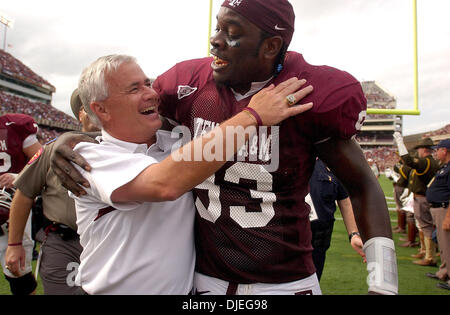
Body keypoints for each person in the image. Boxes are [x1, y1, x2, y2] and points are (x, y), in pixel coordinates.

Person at [51, 0, 397, 295]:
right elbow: (127, 124)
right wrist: (64, 140)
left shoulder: (308, 93)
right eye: (217, 27)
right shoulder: (185, 87)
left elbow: (363, 184)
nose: (214, 41)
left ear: (270, 46)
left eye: (231, 31)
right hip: (205, 281)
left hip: (285, 281)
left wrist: (383, 283)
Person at [63, 54, 312, 295]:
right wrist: (252, 115)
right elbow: (165, 184)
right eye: (134, 89)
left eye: (148, 83)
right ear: (102, 110)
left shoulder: (175, 141)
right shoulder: (88, 159)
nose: (151, 93)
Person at [5, 89, 100, 295]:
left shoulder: (125, 146)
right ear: (79, 114)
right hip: (65, 240)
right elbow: (24, 193)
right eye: (85, 107)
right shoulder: (52, 148)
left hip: (110, 240)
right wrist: (14, 244)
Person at [0, 113, 42, 295]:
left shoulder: (12, 126)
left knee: (17, 273)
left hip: (11, 206)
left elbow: (43, 161)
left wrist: (18, 177)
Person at [307, 159, 365, 281]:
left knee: (313, 283)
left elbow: (345, 201)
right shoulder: (287, 157)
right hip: (287, 243)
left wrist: (354, 234)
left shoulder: (332, 163)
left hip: (318, 244)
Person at [394, 133, 440, 266]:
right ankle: (424, 250)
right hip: (421, 197)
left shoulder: (427, 162)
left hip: (423, 198)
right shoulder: (429, 162)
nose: (418, 151)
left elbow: (408, 161)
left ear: (424, 149)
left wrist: (400, 142)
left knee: (426, 227)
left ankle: (429, 256)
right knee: (422, 226)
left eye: (419, 149)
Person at [425, 139, 450, 290]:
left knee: (447, 244)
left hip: (444, 209)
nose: (436, 152)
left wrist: (448, 217)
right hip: (438, 208)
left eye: (438, 149)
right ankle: (444, 271)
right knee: (442, 243)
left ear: (445, 151)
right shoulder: (445, 167)